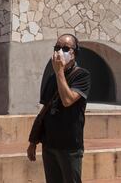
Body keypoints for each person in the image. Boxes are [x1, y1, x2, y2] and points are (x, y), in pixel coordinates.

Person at [27, 34, 91, 183]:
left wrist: (60, 72)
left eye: (65, 48)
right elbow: (45, 111)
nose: (60, 51)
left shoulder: (82, 75)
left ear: (75, 53)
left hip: (69, 147)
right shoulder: (52, 77)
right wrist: (33, 141)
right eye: (57, 47)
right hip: (49, 144)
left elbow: (67, 100)